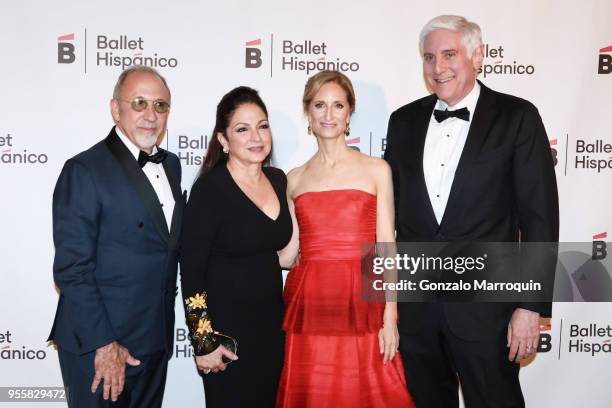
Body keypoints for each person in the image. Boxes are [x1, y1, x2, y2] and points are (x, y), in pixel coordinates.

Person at [384, 15, 559, 407]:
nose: (438, 67)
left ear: (477, 56)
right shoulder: (403, 122)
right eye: (429, 57)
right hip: (418, 314)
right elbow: (388, 214)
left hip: (487, 313)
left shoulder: (518, 117)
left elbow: (539, 217)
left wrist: (530, 306)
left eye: (449, 54)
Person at [276, 70, 415, 407]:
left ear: (350, 112)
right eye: (320, 105)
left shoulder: (376, 169)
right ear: (308, 112)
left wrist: (390, 316)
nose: (328, 114)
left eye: (338, 105)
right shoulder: (293, 179)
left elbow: (386, 247)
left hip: (363, 302)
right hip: (311, 301)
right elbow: (287, 255)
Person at [48, 65, 183, 407]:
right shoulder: (84, 170)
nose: (151, 115)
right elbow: (72, 269)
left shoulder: (172, 166)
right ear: (115, 109)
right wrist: (105, 344)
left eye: (160, 105)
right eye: (139, 103)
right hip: (101, 345)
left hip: (154, 340)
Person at [180, 86, 292, 407]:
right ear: (224, 140)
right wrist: (203, 342)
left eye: (262, 125)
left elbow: (283, 254)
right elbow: (191, 273)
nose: (256, 137)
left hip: (272, 331)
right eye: (242, 129)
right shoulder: (210, 189)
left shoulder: (278, 179)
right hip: (227, 339)